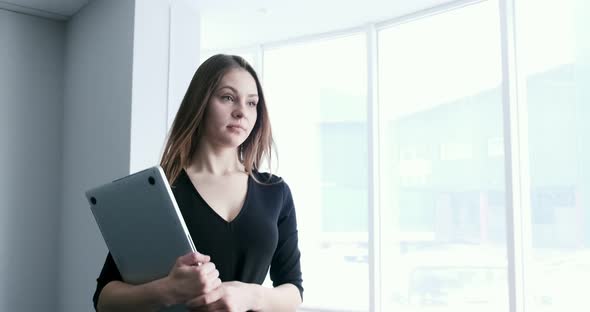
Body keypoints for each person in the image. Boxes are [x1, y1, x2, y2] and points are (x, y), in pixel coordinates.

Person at [92, 54, 303, 311]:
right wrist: (168, 290)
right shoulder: (161, 191)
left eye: (251, 103)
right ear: (200, 102)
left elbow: (293, 290)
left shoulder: (276, 192)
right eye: (227, 97)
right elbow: (104, 299)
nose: (241, 112)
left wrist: (249, 295)